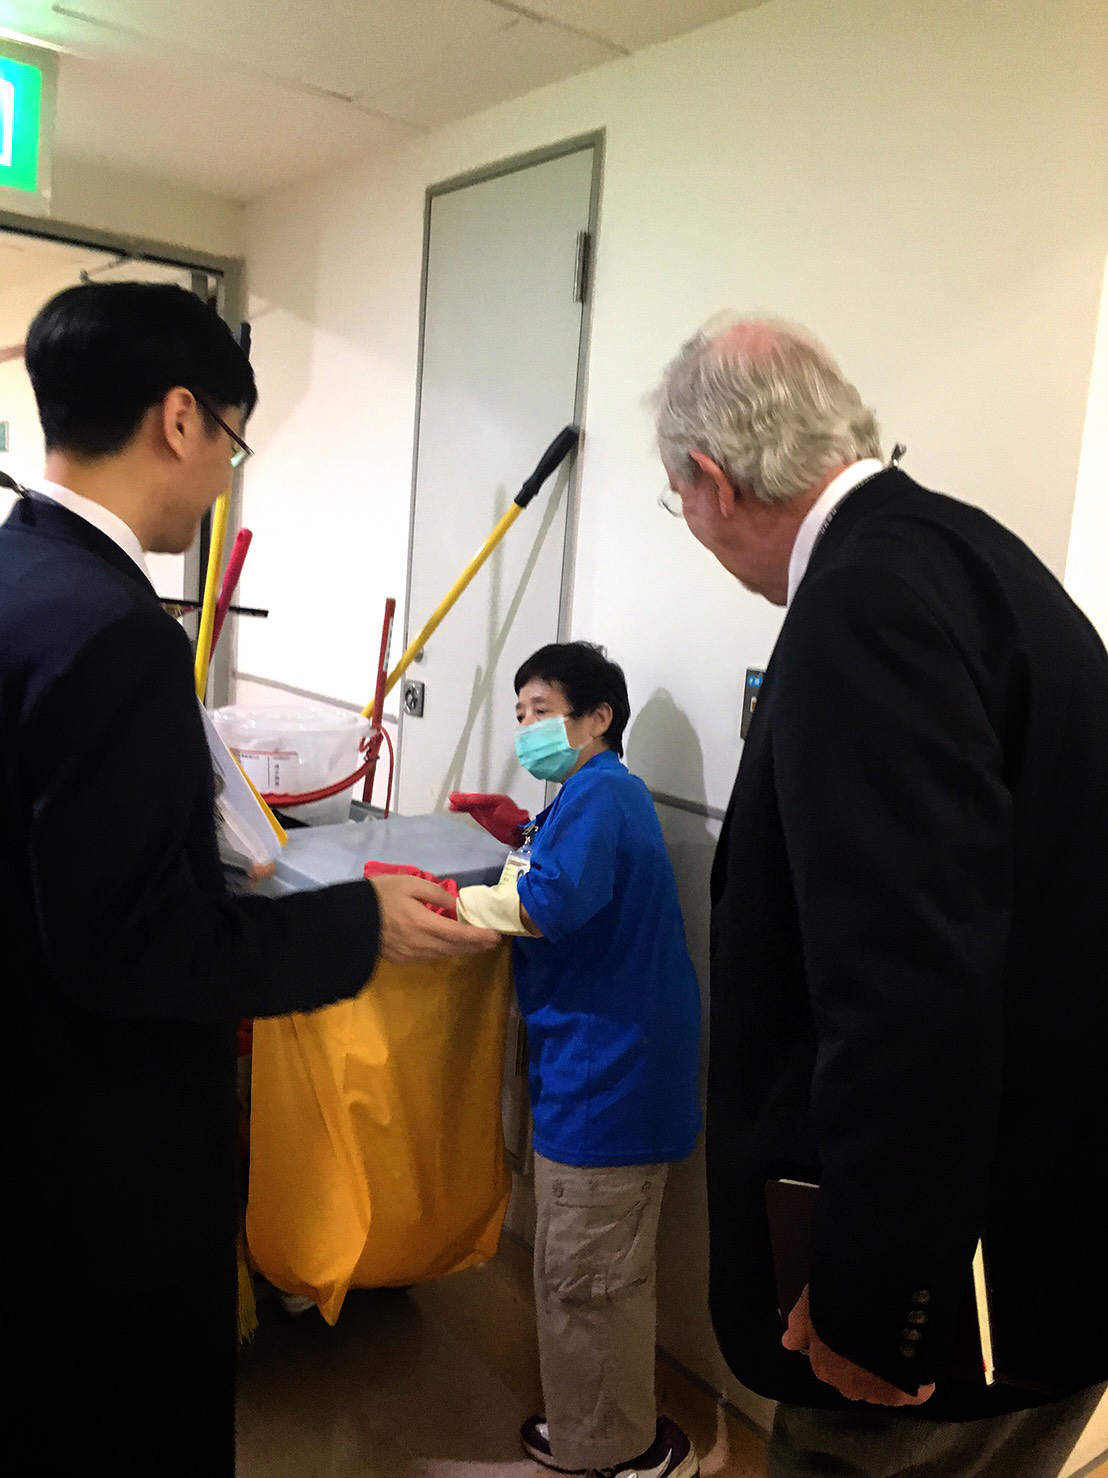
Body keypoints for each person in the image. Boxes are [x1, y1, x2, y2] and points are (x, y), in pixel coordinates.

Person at [0, 282, 496, 1473]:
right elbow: (132, 948)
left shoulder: (20, 581)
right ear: (180, 418)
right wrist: (358, 922)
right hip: (100, 1179)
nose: (225, 470)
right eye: (232, 438)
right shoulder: (116, 632)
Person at [651, 317, 1108, 1476]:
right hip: (1049, 1234)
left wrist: (872, 1300)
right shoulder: (973, 559)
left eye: (676, 501)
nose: (689, 523)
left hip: (947, 1306)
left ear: (710, 479)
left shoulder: (864, 605)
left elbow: (910, 987)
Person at [454, 642, 702, 1478]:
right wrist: (515, 836)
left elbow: (551, 903)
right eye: (519, 714)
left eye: (541, 712)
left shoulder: (603, 794)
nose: (526, 728)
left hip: (609, 1080)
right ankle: (597, 1426)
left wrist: (454, 900)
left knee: (587, 1280)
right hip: (599, 1069)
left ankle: (622, 1453)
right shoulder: (585, 794)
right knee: (591, 1272)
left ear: (598, 718)